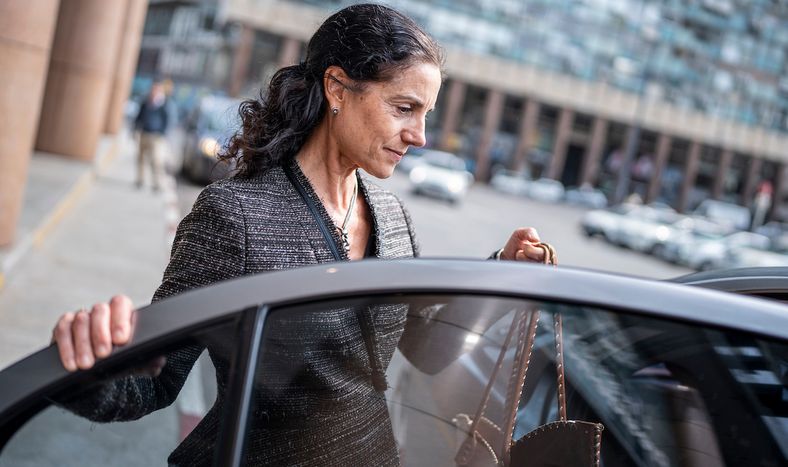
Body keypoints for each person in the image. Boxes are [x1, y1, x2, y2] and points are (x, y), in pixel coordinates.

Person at [52, 4, 555, 465]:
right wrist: (86, 362)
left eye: (426, 115)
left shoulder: (393, 217)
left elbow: (428, 350)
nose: (420, 136)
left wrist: (500, 278)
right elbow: (155, 383)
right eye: (404, 109)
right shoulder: (235, 217)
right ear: (337, 88)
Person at [134, 80, 171, 191]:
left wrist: (162, 133)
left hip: (156, 136)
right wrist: (135, 128)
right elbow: (139, 116)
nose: (154, 91)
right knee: (141, 158)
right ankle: (140, 180)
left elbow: (167, 120)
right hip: (144, 133)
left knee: (156, 161)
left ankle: (157, 184)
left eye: (156, 89)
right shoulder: (146, 102)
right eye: (153, 88)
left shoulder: (164, 104)